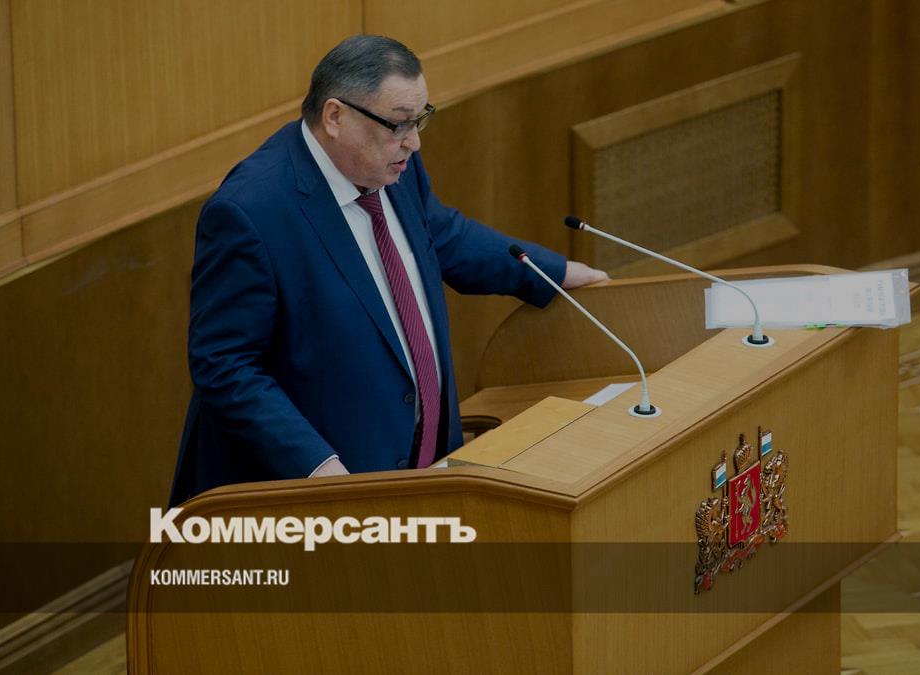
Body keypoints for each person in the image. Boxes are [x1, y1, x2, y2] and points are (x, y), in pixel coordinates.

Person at [169, 35, 607, 505]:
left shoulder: (393, 164)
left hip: (422, 471)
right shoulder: (250, 212)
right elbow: (224, 364)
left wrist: (552, 272)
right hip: (314, 494)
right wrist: (316, 465)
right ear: (335, 117)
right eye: (399, 123)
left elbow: (440, 234)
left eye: (420, 119)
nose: (414, 142)